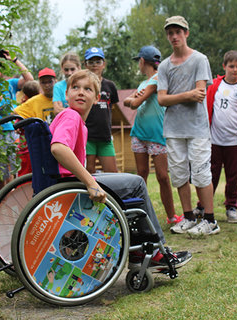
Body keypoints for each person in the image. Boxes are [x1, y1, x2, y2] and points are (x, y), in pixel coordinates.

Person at [50, 69, 191, 269]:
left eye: (87, 89)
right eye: (75, 88)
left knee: (125, 180)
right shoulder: (71, 117)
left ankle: (139, 250)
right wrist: (90, 183)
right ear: (66, 94)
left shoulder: (76, 119)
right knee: (136, 183)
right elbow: (58, 148)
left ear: (97, 98)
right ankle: (155, 252)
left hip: (68, 181)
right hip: (70, 184)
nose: (81, 92)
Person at [157, 16, 219, 236]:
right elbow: (161, 100)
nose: (174, 36)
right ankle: (189, 217)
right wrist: (186, 95)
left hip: (197, 128)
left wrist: (179, 96)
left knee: (202, 174)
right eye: (170, 32)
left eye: (178, 32)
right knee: (180, 175)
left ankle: (210, 220)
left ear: (186, 33)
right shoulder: (164, 66)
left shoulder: (199, 60)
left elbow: (199, 94)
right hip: (173, 129)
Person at [123, 46, 182, 225]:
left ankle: (171, 216)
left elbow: (135, 103)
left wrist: (135, 99)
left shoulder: (157, 79)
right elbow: (127, 100)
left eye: (139, 62)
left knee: (163, 176)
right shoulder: (144, 83)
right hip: (139, 133)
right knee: (141, 176)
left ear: (142, 61)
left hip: (157, 134)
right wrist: (134, 98)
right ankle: (138, 215)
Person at [206, 50, 237, 224]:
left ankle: (231, 206)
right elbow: (205, 109)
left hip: (235, 141)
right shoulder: (214, 85)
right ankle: (204, 205)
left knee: (234, 176)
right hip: (213, 140)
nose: (235, 69)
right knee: (210, 174)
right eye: (231, 66)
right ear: (224, 67)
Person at [0, 50, 34, 192]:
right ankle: (0, 203)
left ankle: (10, 200)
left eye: (1, 68)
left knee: (11, 171)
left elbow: (30, 79)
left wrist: (14, 60)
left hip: (9, 130)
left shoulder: (11, 83)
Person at [84, 47, 118, 174]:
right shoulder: (84, 86)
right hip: (87, 137)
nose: (94, 65)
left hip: (105, 137)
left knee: (113, 174)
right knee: (89, 173)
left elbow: (112, 107)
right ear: (85, 64)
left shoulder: (110, 86)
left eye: (98, 61)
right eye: (91, 62)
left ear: (104, 64)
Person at [15, 80, 40, 176]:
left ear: (25, 96)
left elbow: (17, 128)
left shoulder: (24, 109)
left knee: (24, 176)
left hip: (24, 148)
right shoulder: (37, 106)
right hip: (36, 147)